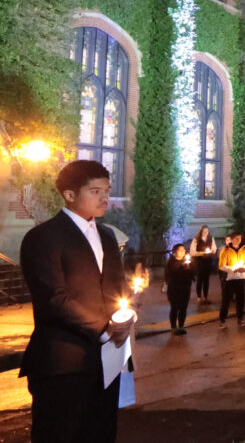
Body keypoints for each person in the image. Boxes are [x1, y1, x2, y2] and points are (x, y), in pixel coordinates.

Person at [19, 161, 132, 442]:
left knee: (102, 432)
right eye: (95, 191)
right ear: (70, 195)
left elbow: (116, 287)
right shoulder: (43, 237)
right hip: (63, 362)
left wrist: (125, 315)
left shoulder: (107, 236)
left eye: (106, 190)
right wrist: (104, 329)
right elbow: (53, 299)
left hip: (107, 362)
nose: (104, 197)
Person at [218, 230, 245, 328]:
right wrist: (233, 269)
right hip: (229, 279)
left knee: (240, 299)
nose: (238, 240)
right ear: (231, 240)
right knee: (226, 300)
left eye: (240, 238)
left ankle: (240, 319)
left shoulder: (244, 251)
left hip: (240, 278)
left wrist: (244, 268)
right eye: (236, 238)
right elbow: (221, 266)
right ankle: (222, 320)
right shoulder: (225, 251)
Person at [165, 244, 196, 334]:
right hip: (174, 288)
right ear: (175, 252)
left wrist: (189, 267)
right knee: (175, 307)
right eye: (180, 250)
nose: (182, 252)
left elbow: (193, 272)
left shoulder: (188, 261)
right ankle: (173, 327)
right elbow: (170, 273)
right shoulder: (171, 262)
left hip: (185, 287)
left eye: (184, 250)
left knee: (183, 307)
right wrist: (181, 266)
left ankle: (181, 325)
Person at [188, 225, 216, 304]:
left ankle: (206, 296)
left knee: (206, 279)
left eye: (207, 231)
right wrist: (202, 253)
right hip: (199, 262)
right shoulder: (196, 239)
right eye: (204, 232)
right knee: (200, 279)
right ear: (200, 231)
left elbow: (214, 248)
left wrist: (212, 251)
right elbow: (192, 252)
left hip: (208, 262)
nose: (205, 233)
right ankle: (199, 297)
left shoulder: (211, 239)